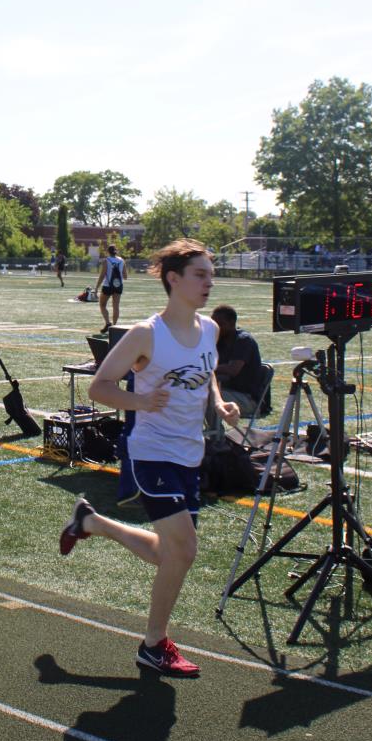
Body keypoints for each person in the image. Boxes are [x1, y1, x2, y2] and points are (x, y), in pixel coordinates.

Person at [58, 239, 240, 679]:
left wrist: (218, 403)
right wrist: (141, 402)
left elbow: (207, 372)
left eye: (211, 276)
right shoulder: (146, 334)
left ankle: (91, 523)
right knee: (185, 550)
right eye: (200, 275)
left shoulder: (210, 329)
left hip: (190, 453)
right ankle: (154, 645)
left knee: (169, 554)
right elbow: (99, 387)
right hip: (152, 452)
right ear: (173, 279)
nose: (209, 283)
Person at [211, 304, 266, 418]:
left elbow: (232, 370)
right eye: (213, 324)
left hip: (248, 399)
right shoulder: (220, 341)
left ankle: (215, 430)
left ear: (232, 323)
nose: (216, 327)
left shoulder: (243, 340)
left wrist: (207, 367)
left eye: (220, 324)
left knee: (208, 397)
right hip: (229, 391)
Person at [95, 244, 126, 333]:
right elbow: (125, 276)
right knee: (116, 306)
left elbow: (102, 275)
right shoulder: (122, 260)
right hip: (118, 286)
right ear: (116, 251)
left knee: (102, 305)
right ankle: (114, 326)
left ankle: (108, 323)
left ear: (108, 252)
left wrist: (96, 287)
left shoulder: (106, 260)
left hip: (107, 285)